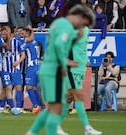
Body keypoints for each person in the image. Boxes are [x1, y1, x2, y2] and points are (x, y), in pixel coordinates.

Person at [25, 4, 95, 135]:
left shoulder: (60, 24)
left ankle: (32, 132)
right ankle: (82, 128)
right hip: (53, 68)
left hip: (51, 67)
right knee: (58, 105)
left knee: (56, 105)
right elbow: (58, 44)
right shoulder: (67, 26)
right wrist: (65, 62)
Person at [0, 26, 25, 115]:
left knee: (8, 89)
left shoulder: (16, 42)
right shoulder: (0, 44)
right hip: (4, 69)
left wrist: (18, 62)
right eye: (2, 34)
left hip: (15, 69)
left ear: (9, 33)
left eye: (5, 34)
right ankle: (13, 108)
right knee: (9, 87)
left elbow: (23, 55)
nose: (3, 36)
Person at [21, 28, 42, 114]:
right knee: (34, 87)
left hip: (31, 67)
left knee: (29, 87)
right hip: (38, 66)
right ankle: (38, 106)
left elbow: (19, 49)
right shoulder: (36, 43)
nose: (22, 35)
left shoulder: (27, 44)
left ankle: (36, 106)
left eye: (24, 33)